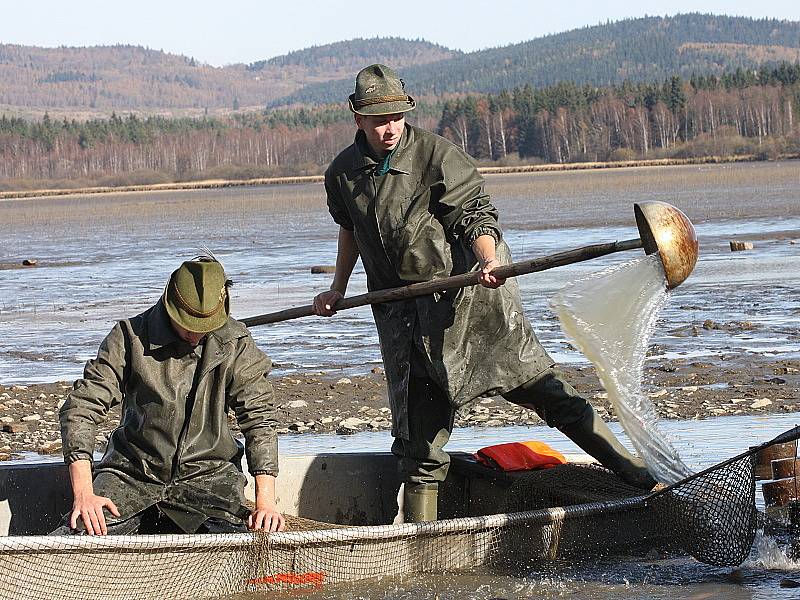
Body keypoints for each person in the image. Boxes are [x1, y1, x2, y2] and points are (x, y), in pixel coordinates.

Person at [312, 64, 656, 522]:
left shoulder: (437, 156)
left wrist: (488, 258)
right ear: (358, 118)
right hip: (405, 320)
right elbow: (350, 230)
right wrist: (337, 288)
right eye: (378, 119)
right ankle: (419, 552)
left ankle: (642, 479)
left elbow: (474, 214)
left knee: (549, 396)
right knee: (419, 447)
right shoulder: (343, 173)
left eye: (395, 116)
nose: (389, 127)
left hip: (472, 304)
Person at [56, 256, 285, 535]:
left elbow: (259, 419)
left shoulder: (236, 343)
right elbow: (81, 408)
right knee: (82, 530)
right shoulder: (129, 337)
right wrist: (84, 493)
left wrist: (266, 503)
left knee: (235, 539)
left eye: (204, 327)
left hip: (209, 476)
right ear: (170, 306)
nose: (195, 336)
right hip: (132, 474)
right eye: (188, 325)